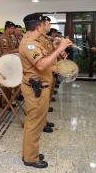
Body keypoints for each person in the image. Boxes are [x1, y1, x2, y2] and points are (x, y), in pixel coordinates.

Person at [19, 13, 72, 168]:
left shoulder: (36, 42)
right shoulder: (29, 43)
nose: (47, 27)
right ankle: (30, 158)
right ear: (38, 26)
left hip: (40, 86)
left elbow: (44, 59)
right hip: (35, 88)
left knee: (36, 122)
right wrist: (60, 48)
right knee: (34, 123)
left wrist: (56, 49)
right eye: (45, 24)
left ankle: (29, 152)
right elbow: (41, 65)